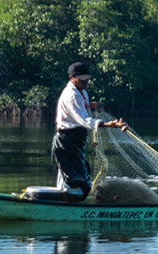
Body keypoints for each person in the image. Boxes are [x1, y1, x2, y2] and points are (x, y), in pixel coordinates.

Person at [52, 62, 123, 200]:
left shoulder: (82, 92)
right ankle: (64, 205)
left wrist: (91, 105)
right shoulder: (71, 95)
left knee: (74, 175)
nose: (85, 82)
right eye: (82, 79)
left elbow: (80, 109)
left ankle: (64, 201)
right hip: (66, 141)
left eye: (87, 79)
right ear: (71, 77)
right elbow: (83, 119)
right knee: (72, 178)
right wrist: (107, 124)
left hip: (75, 141)